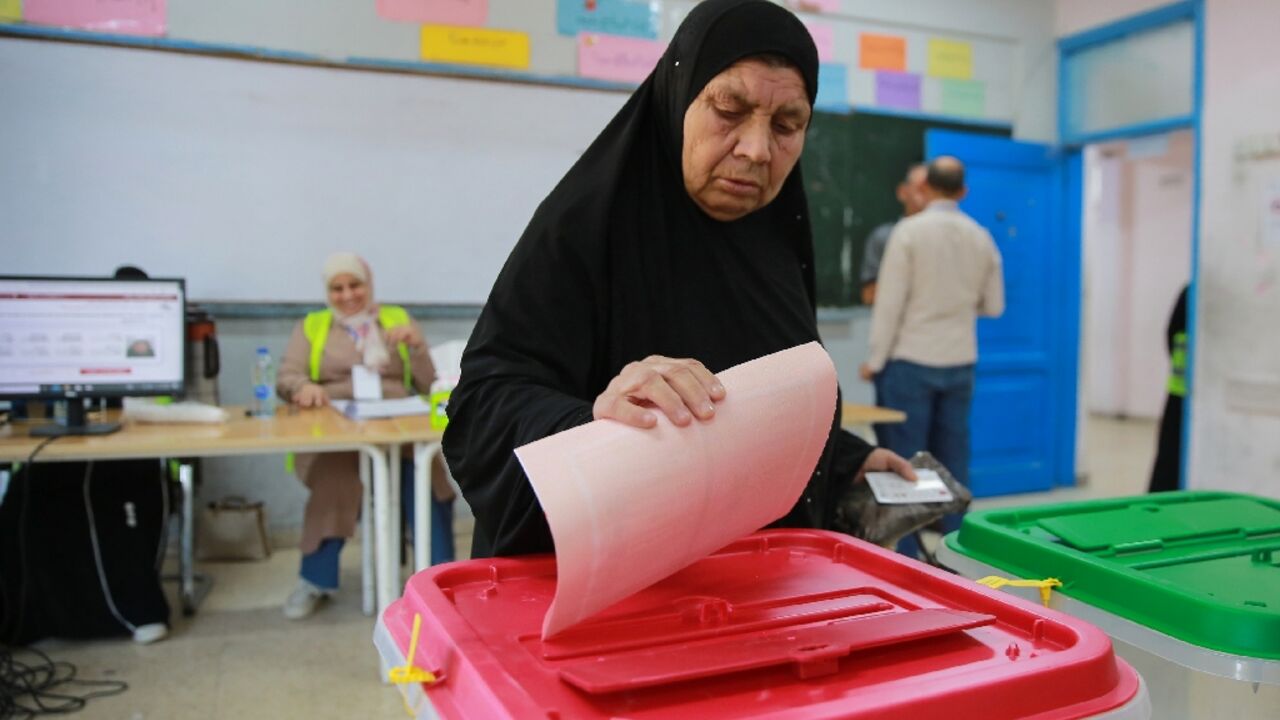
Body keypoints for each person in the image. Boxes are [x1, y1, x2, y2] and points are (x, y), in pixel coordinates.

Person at [442, 0, 914, 560]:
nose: (757, 150)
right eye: (729, 109)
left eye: (787, 125)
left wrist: (843, 460)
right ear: (677, 97)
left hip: (748, 591)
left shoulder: (776, 243)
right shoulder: (584, 229)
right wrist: (595, 418)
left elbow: (754, 402)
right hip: (607, 592)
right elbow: (481, 408)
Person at [275, 252, 455, 619]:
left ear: (369, 285)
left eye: (354, 285)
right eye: (337, 288)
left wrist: (417, 346)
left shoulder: (396, 319)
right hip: (337, 430)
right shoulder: (312, 326)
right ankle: (315, 580)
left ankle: (441, 581)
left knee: (428, 482)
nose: (347, 294)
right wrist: (303, 386)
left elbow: (427, 382)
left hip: (398, 426)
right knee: (334, 485)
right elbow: (286, 376)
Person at [860, 157, 1004, 558]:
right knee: (954, 457)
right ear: (962, 192)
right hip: (959, 360)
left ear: (926, 189)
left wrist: (875, 359)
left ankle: (908, 554)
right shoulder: (980, 237)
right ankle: (958, 552)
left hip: (910, 360)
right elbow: (994, 306)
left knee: (906, 462)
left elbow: (889, 304)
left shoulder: (908, 232)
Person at [859, 163, 928, 306]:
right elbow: (869, 295)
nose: (927, 195)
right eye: (921, 188)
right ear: (903, 192)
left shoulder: (956, 237)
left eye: (933, 189)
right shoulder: (884, 237)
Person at [1148, 285, 1189, 493]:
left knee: (1169, 455)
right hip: (1183, 392)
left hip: (1179, 390)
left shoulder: (1189, 292)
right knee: (1170, 454)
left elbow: (1170, 334)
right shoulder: (1193, 293)